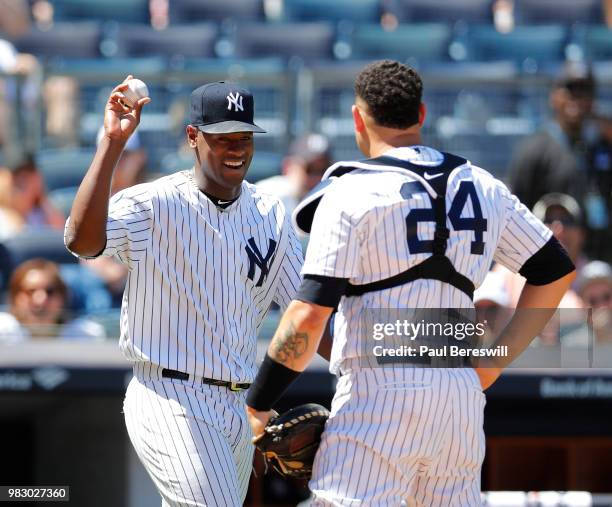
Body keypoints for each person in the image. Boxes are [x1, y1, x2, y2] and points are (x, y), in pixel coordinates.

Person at [245, 60, 576, 505]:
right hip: (458, 395)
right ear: (421, 115)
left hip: (378, 391)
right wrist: (494, 360)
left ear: (358, 119)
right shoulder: (481, 184)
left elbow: (308, 316)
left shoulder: (349, 191)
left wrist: (257, 403)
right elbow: (555, 271)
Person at [63, 76, 304, 506]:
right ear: (193, 136)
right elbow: (82, 242)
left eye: (244, 136)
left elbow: (307, 310)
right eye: (223, 137)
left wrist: (370, 368)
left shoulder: (272, 213)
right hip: (168, 396)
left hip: (236, 405)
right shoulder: (154, 203)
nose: (237, 148)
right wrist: (112, 144)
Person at [507, 60, 612, 260]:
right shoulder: (535, 148)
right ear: (554, 96)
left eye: (585, 90)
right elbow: (515, 210)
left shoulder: (601, 144)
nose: (578, 97)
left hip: (600, 262)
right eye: (570, 88)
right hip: (552, 260)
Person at [0, 258, 105, 343]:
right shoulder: (3, 331)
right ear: (15, 297)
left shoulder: (86, 335)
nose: (40, 300)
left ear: (63, 298)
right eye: (30, 291)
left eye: (50, 291)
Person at [256, 132, 332, 217]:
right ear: (287, 166)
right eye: (309, 170)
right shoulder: (267, 196)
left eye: (323, 170)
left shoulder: (333, 201)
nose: (317, 177)